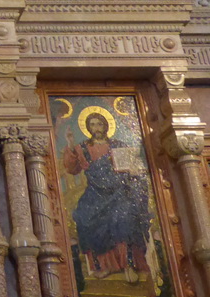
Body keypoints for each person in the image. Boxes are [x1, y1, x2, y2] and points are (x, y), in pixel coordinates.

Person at [62, 110, 152, 280]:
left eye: (99, 123)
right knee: (83, 216)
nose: (96, 127)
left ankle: (129, 265)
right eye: (93, 124)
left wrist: (133, 171)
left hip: (120, 191)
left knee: (122, 217)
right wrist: (70, 142)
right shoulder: (81, 148)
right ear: (88, 127)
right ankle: (104, 265)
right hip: (95, 192)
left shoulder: (119, 145)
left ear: (106, 125)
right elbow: (72, 169)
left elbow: (134, 169)